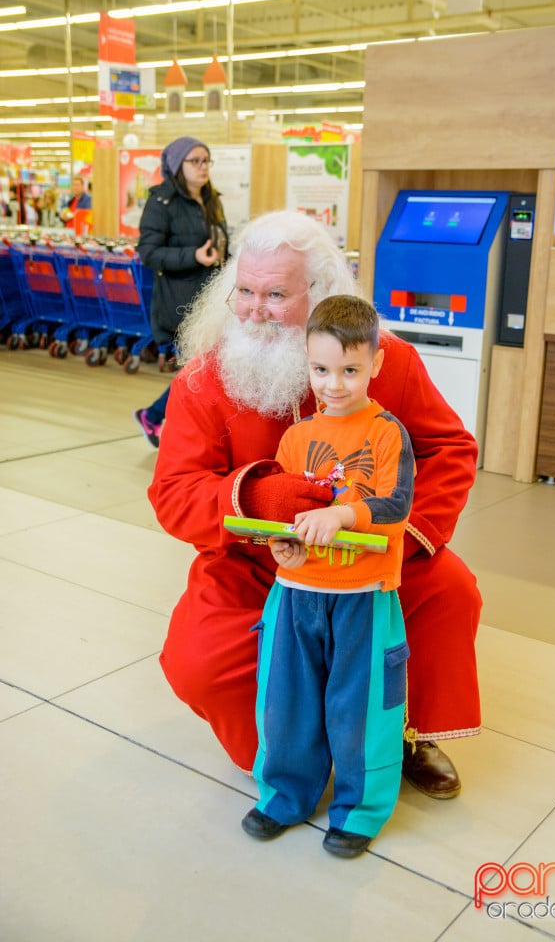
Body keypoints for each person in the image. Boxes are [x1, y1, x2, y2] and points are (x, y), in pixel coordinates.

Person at [148, 209, 482, 800]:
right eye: (244, 291)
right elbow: (173, 492)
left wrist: (405, 537)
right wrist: (256, 495)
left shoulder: (389, 361)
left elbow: (448, 448)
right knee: (198, 659)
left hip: (374, 556)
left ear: (321, 293)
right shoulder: (204, 380)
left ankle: (403, 733)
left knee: (450, 590)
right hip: (259, 565)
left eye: (276, 294)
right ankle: (293, 747)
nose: (253, 309)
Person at [241, 295, 415, 858]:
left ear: (375, 366)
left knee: (361, 708)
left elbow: (396, 505)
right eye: (320, 370)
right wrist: (280, 543)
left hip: (363, 598)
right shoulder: (295, 439)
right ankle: (285, 795)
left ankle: (360, 810)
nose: (334, 385)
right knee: (285, 700)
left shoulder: (388, 433)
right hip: (296, 596)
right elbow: (290, 516)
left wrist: (341, 514)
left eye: (349, 371)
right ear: (307, 364)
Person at [134, 136, 228, 449]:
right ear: (177, 165)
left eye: (206, 160)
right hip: (179, 302)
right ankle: (155, 414)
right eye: (195, 161)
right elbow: (148, 252)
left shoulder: (211, 198)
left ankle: (164, 417)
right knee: (201, 367)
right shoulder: (162, 202)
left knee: (204, 367)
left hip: (212, 298)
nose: (203, 167)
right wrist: (194, 256)